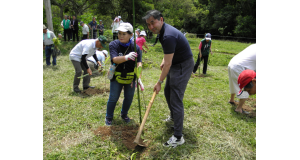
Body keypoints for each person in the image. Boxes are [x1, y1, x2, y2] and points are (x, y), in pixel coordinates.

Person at [143, 10, 194, 148]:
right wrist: (163, 60)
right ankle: (174, 118)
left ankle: (178, 137)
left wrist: (159, 82)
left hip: (182, 65)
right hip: (175, 63)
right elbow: (169, 53)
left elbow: (168, 63)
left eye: (153, 23)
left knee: (175, 98)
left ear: (161, 19)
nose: (151, 27)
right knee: (168, 92)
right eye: (148, 24)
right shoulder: (162, 31)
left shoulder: (168, 35)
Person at [105, 22, 142, 126]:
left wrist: (139, 77)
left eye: (124, 34)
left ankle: (124, 114)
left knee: (129, 97)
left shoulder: (136, 47)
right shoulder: (114, 44)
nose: (120, 36)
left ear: (131, 35)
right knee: (113, 97)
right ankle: (109, 116)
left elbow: (139, 62)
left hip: (131, 77)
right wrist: (127, 57)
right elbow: (115, 59)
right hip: (117, 75)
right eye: (119, 33)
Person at [228, 44, 256, 114]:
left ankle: (231, 100)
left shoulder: (254, 45)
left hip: (232, 63)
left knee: (233, 82)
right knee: (247, 87)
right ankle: (239, 109)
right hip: (239, 67)